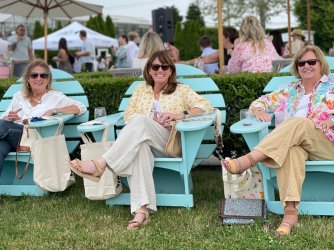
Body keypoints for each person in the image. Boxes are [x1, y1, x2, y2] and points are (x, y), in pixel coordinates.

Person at [67, 50, 213, 229]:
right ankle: (141, 210)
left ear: (170, 70)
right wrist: (148, 121)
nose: (160, 70)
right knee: (140, 146)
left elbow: (205, 105)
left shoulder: (181, 90)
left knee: (141, 123)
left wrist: (179, 115)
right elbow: (128, 114)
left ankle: (101, 164)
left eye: (164, 66)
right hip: (141, 139)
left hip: (168, 143)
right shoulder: (140, 90)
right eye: (155, 66)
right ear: (149, 70)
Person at [222, 45, 334, 236]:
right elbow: (260, 102)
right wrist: (257, 110)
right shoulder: (289, 90)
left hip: (326, 143)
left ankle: (248, 160)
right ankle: (290, 214)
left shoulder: (331, 87)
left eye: (311, 62)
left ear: (321, 64)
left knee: (298, 123)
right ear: (297, 67)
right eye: (301, 63)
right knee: (292, 149)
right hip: (295, 143)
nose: (306, 66)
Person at [0, 59, 86, 212]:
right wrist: (10, 118)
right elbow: (3, 119)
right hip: (13, 135)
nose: (39, 78)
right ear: (28, 79)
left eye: (43, 76)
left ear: (48, 79)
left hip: (37, 137)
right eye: (34, 75)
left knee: (2, 127)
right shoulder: (19, 97)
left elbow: (80, 107)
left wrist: (55, 110)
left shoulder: (55, 97)